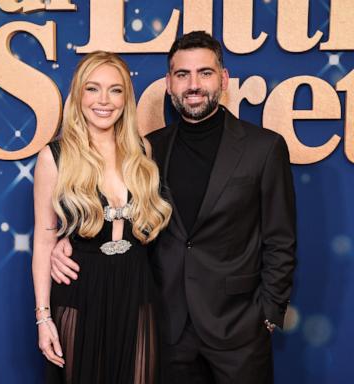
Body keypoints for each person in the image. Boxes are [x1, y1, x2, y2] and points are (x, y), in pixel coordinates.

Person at [50, 32, 296, 384]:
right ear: (169, 84)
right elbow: (122, 222)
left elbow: (281, 239)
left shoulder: (264, 148)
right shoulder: (148, 152)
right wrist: (64, 242)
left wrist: (268, 315)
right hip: (164, 327)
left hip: (238, 330)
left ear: (223, 80)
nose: (193, 85)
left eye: (205, 73)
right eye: (182, 75)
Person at [32, 51, 172, 384]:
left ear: (127, 98)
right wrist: (43, 318)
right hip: (81, 290)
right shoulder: (55, 157)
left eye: (115, 89)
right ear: (78, 95)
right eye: (93, 89)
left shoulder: (143, 152)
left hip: (138, 290)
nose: (104, 100)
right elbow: (42, 240)